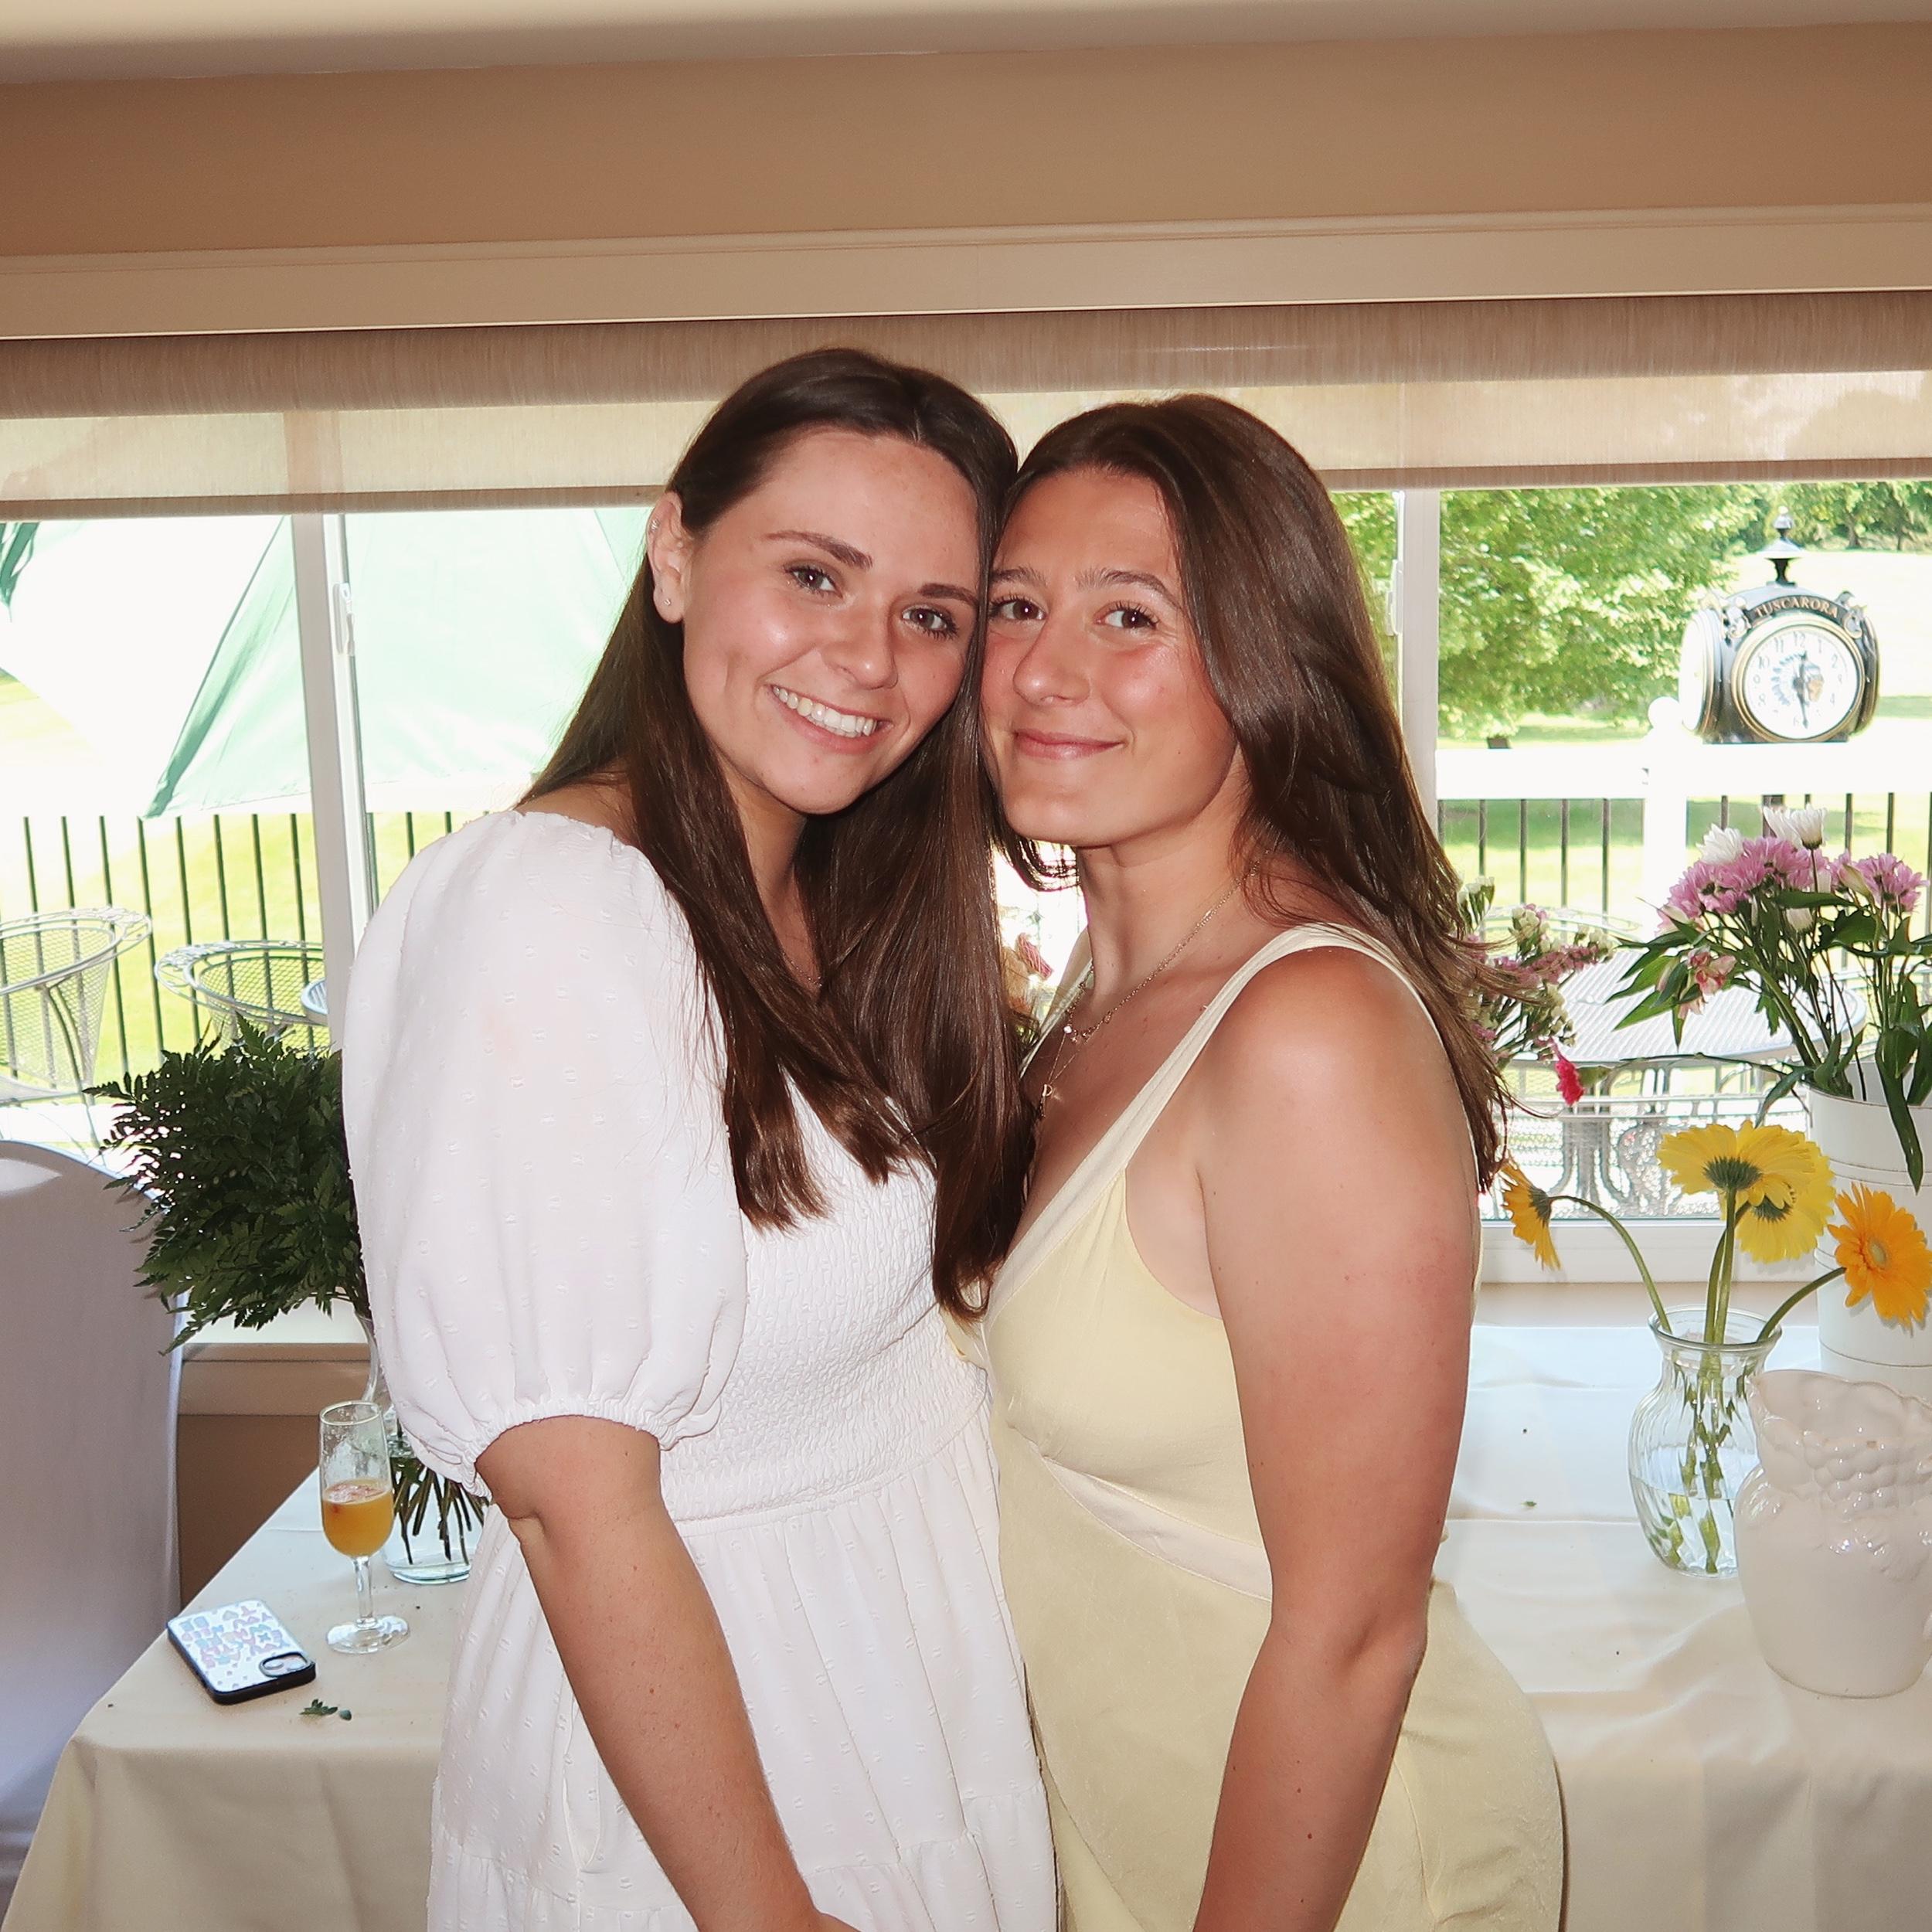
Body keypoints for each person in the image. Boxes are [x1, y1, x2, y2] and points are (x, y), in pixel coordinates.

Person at [342, 349, 1055, 1932]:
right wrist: (763, 1911)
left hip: (897, 1699)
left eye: (933, 615)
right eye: (812, 574)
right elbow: (569, 1493)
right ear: (673, 554)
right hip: (725, 1779)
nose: (866, 658)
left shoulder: (836, 906)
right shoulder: (554, 909)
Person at [973, 396, 1563, 1932]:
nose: (1042, 670)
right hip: (1137, 1830)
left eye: (1130, 616)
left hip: (1338, 1872)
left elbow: (1354, 1635)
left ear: (1265, 658)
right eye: (1015, 606)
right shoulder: (1090, 999)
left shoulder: (1304, 1031)